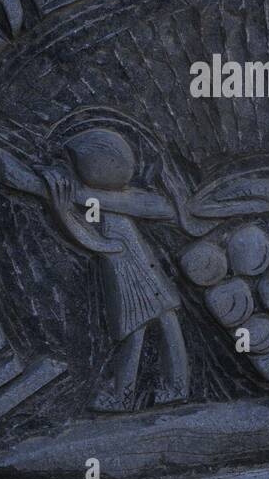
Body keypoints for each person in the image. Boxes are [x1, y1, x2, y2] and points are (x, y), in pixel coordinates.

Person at [36, 128, 189, 412]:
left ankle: (127, 395)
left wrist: (63, 213)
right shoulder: (114, 207)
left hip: (128, 277)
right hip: (144, 273)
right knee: (164, 325)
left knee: (138, 333)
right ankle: (172, 387)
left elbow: (100, 244)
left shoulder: (110, 211)